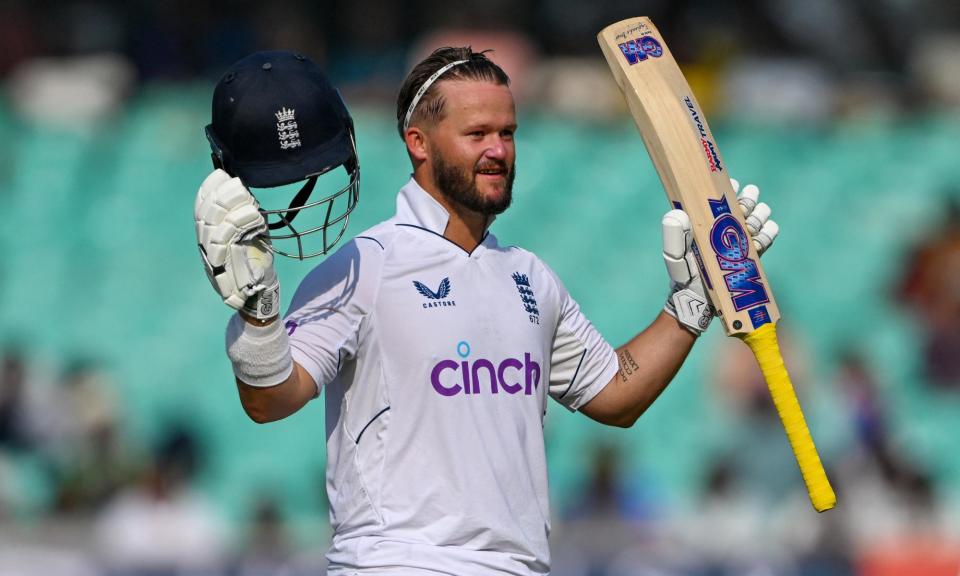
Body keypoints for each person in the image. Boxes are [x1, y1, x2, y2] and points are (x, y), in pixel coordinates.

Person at [194, 47, 779, 575]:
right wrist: (259, 317)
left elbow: (617, 395)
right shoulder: (366, 265)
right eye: (477, 133)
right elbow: (270, 400)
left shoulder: (530, 276)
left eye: (508, 132)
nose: (499, 151)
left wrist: (694, 300)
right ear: (418, 142)